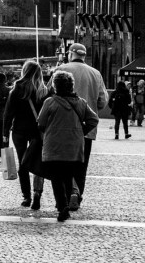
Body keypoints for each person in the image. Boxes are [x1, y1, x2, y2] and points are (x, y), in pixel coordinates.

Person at [37, 70, 99, 223]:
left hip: (54, 146)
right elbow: (93, 119)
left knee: (56, 178)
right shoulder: (81, 103)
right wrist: (81, 132)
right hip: (74, 147)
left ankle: (62, 206)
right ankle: (68, 201)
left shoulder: (49, 102)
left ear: (55, 86)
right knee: (68, 176)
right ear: (72, 86)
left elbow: (41, 123)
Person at [56, 43, 106, 211]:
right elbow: (102, 101)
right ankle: (77, 195)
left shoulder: (62, 69)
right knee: (81, 165)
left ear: (71, 54)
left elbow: (49, 94)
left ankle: (65, 195)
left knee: (62, 164)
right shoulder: (96, 73)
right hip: (86, 130)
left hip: (62, 128)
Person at [3, 60, 48, 209]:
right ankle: (37, 192)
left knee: (23, 163)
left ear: (24, 71)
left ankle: (26, 196)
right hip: (37, 132)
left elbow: (8, 114)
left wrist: (4, 134)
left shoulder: (17, 89)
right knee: (38, 163)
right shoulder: (44, 91)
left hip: (19, 131)